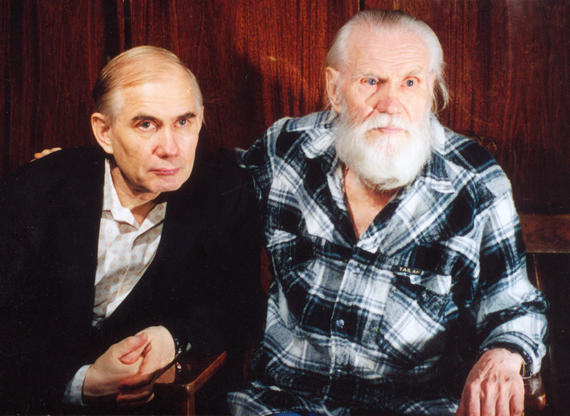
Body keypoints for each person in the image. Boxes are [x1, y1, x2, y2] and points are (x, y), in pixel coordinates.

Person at [228, 10, 548, 416]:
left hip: (414, 407)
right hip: (283, 403)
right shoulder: (286, 149)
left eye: (410, 83)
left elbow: (516, 307)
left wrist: (503, 355)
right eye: (371, 81)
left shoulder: (475, 182)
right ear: (335, 89)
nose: (391, 104)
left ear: (431, 89)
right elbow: (208, 196)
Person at [0, 46, 264, 413]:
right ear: (104, 132)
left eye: (183, 122)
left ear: (202, 118)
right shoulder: (38, 189)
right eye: (146, 124)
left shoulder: (225, 194)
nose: (171, 148)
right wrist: (82, 383)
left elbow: (240, 305)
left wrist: (172, 338)